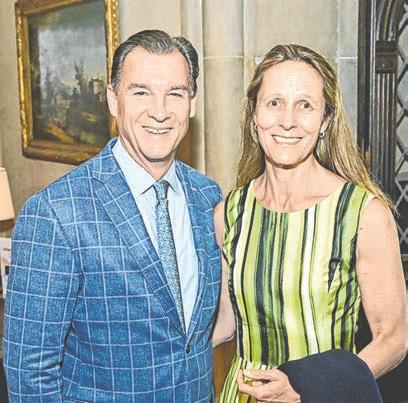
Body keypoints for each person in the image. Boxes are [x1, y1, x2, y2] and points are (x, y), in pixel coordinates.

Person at [3, 30, 222, 402]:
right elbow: (30, 373)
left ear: (192, 103)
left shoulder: (208, 197)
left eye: (175, 93)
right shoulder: (55, 212)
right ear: (112, 99)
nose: (159, 111)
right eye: (141, 92)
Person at [213, 44, 407, 402]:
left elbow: (393, 338)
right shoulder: (230, 211)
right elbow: (226, 322)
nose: (288, 120)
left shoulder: (362, 213)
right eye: (274, 102)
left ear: (325, 121)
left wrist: (313, 386)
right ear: (253, 113)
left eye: (305, 105)